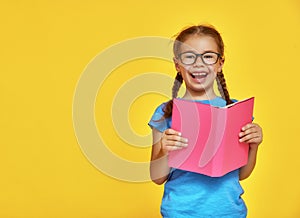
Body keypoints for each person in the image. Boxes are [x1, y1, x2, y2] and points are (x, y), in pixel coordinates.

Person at [148, 24, 263, 218]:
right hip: (180, 212)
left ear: (220, 63)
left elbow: (241, 175)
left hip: (229, 212)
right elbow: (157, 177)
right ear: (177, 64)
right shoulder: (165, 113)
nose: (199, 64)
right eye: (189, 57)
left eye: (208, 56)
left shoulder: (235, 111)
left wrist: (254, 146)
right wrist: (164, 150)